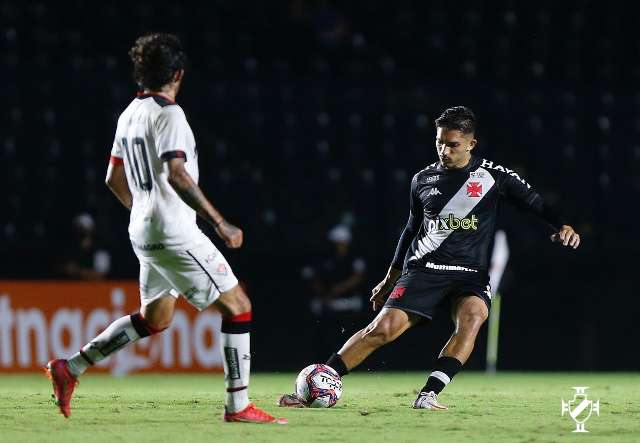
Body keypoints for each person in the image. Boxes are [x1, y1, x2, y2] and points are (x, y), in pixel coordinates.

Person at [45, 33, 286, 424]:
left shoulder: (128, 114)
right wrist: (220, 222)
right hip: (175, 231)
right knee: (239, 307)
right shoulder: (169, 114)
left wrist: (141, 209)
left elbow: (112, 178)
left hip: (142, 230)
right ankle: (238, 406)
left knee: (155, 318)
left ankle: (70, 368)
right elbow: (177, 173)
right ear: (178, 73)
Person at [279, 106, 580, 410]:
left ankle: (429, 393)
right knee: (382, 329)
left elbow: (535, 202)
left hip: (469, 274)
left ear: (471, 144)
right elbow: (410, 231)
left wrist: (561, 226)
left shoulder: (493, 176)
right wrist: (389, 279)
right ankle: (320, 381)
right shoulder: (422, 179)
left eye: (452, 145)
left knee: (474, 316)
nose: (444, 150)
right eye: (439, 142)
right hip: (424, 268)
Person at [58, 213, 111, 280]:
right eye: (77, 228)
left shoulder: (100, 249)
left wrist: (78, 271)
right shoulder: (70, 248)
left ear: (90, 230)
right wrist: (65, 268)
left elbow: (100, 275)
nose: (79, 231)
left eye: (82, 228)